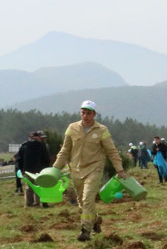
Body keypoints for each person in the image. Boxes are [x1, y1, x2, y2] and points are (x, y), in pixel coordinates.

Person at [53, 100, 128, 241]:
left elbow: (111, 151)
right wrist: (55, 169)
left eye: (88, 113)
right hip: (76, 169)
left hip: (94, 168)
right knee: (82, 202)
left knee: (88, 199)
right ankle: (95, 220)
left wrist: (119, 169)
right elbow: (65, 150)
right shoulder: (72, 128)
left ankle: (85, 231)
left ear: (94, 114)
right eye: (83, 112)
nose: (85, 116)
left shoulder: (102, 130)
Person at [19, 131, 51, 207]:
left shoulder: (24, 146)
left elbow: (19, 159)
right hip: (39, 170)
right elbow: (46, 158)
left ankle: (28, 204)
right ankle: (37, 204)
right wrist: (45, 168)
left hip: (27, 170)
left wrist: (22, 169)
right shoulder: (42, 146)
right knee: (38, 187)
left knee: (28, 188)